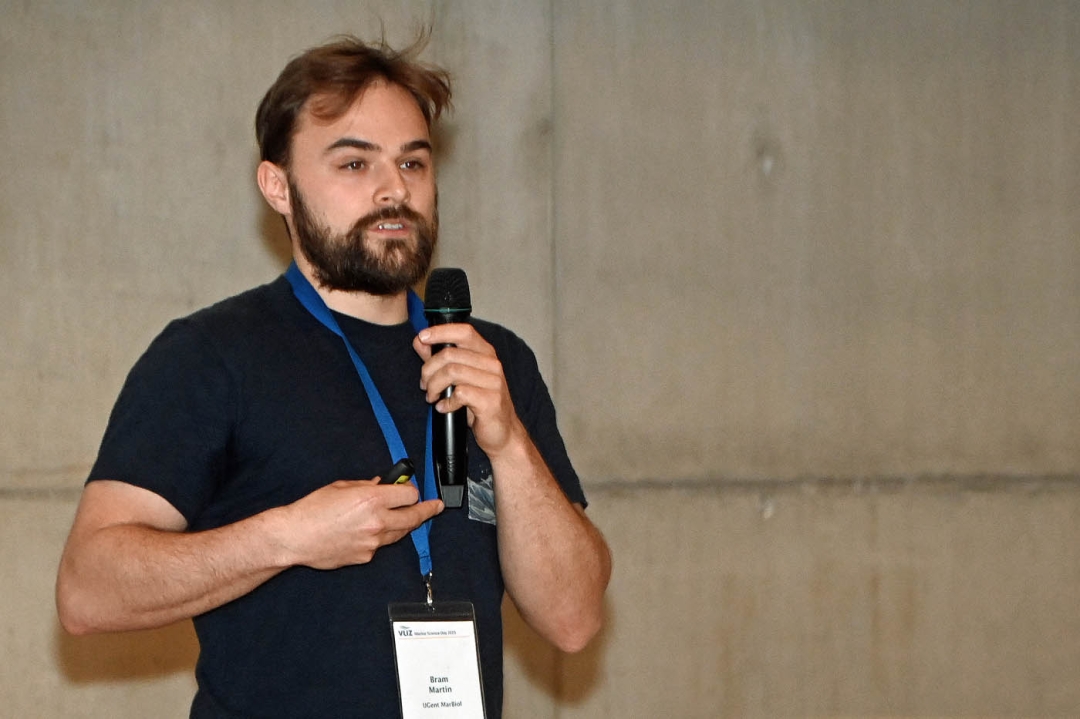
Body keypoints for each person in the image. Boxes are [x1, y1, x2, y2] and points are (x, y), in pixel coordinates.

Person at [56, 33, 611, 718]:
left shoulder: (492, 360)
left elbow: (574, 618)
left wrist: (509, 443)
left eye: (413, 162)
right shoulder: (211, 355)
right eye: (354, 163)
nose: (394, 189)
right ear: (278, 187)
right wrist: (287, 537)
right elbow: (88, 591)